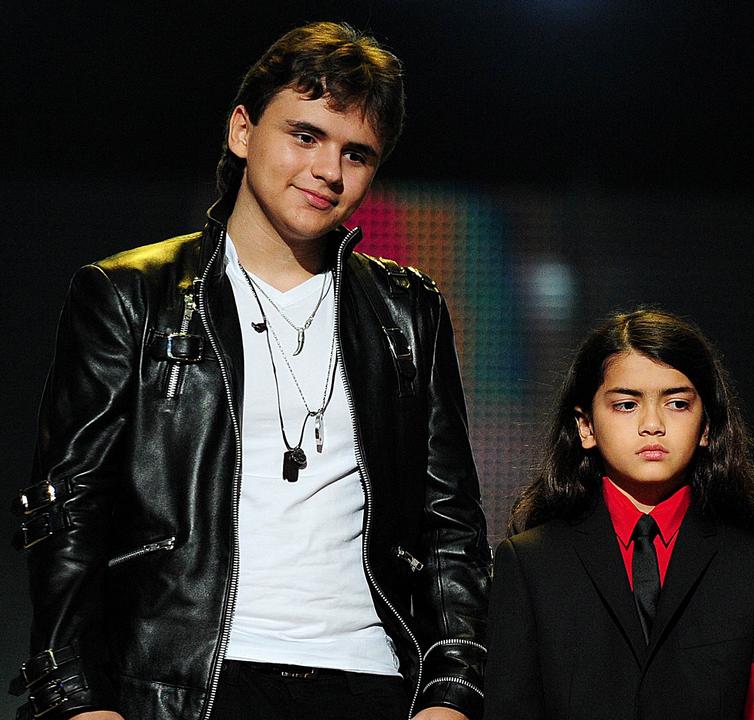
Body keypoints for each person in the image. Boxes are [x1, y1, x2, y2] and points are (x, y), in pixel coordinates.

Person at [11, 22, 488, 720]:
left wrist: (451, 693)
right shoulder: (129, 295)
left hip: (372, 681)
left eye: (357, 152)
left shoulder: (408, 311)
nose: (329, 169)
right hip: (184, 684)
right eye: (305, 135)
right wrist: (77, 699)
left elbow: (449, 524)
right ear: (242, 130)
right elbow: (70, 511)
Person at [484, 309, 754, 720]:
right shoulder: (531, 563)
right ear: (585, 425)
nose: (652, 425)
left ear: (706, 425)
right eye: (625, 405)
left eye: (676, 404)